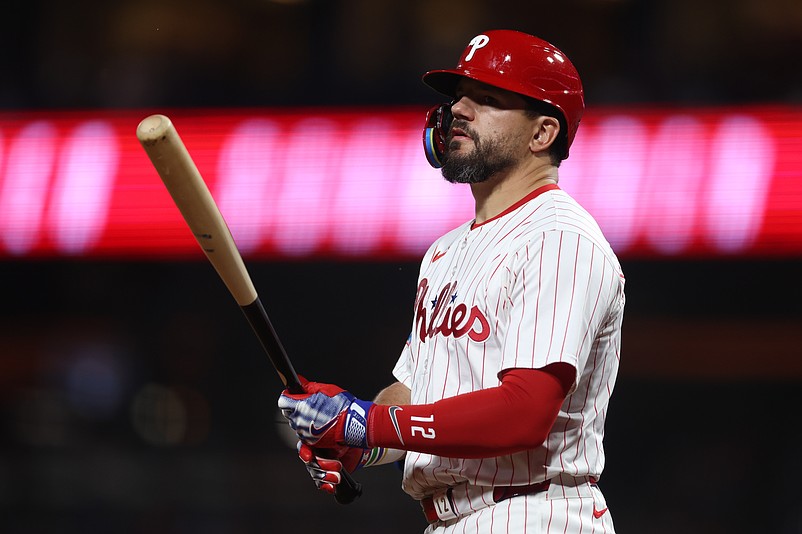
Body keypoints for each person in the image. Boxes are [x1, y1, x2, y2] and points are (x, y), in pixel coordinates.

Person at [279, 29, 625, 533]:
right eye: (459, 95)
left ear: (542, 133)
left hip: (535, 512)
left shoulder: (559, 239)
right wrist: (349, 435)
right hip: (452, 519)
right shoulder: (445, 253)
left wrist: (368, 422)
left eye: (487, 99)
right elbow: (416, 399)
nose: (458, 108)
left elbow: (523, 414)